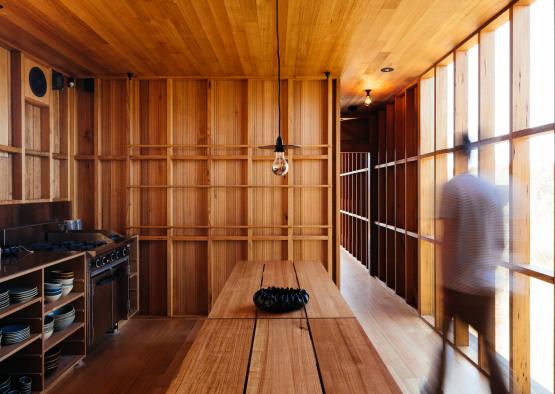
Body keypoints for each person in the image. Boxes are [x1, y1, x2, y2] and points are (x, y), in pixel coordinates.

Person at [423, 134, 508, 394]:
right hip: (485, 284)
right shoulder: (492, 191)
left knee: (444, 339)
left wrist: (444, 281)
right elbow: (500, 241)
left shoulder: (453, 188)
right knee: (488, 347)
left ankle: (435, 387)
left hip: (458, 282)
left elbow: (448, 239)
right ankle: (501, 390)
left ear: (458, 154)